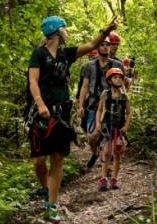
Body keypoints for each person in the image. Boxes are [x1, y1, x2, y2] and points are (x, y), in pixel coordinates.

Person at [28, 15, 117, 223]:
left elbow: (92, 44)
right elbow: (33, 81)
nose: (67, 33)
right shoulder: (38, 54)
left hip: (61, 114)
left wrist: (106, 30)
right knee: (38, 161)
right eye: (65, 29)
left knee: (57, 157)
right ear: (57, 31)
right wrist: (40, 104)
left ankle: (51, 205)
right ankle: (44, 189)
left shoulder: (66, 54)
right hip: (40, 113)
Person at [77, 36, 124, 169]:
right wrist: (81, 105)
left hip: (111, 108)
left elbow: (122, 85)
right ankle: (95, 152)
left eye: (107, 45)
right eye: (102, 44)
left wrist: (124, 102)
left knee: (108, 138)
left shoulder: (117, 64)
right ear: (97, 47)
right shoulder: (88, 66)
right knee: (92, 137)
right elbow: (84, 87)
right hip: (93, 105)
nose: (105, 47)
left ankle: (106, 167)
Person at [95, 68, 132, 190]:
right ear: (109, 80)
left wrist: (126, 126)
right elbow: (100, 109)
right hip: (107, 128)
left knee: (117, 153)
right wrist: (98, 123)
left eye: (120, 78)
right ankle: (103, 178)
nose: (118, 80)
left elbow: (129, 113)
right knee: (106, 152)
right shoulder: (105, 94)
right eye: (115, 77)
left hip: (120, 129)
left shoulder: (124, 96)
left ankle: (114, 179)